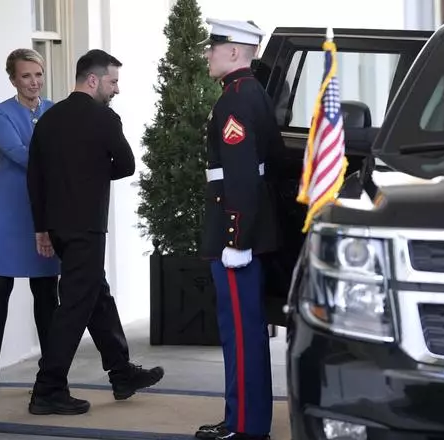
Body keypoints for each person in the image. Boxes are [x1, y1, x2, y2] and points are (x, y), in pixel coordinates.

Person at [26, 49, 165, 415]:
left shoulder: (48, 119)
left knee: (94, 295)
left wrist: (41, 227)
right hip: (87, 225)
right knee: (74, 306)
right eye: (113, 81)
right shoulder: (105, 119)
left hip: (57, 225)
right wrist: (95, 171)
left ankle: (121, 373)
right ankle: (47, 388)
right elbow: (127, 164)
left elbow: (34, 179)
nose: (116, 89)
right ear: (93, 79)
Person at [195, 18, 283, 440]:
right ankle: (243, 420)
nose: (208, 54)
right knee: (244, 331)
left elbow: (242, 176)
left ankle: (246, 427)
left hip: (236, 235)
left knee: (242, 334)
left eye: (214, 47)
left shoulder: (235, 100)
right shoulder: (252, 93)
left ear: (234, 51)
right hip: (246, 228)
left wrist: (236, 239)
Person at [0, 48, 60, 398]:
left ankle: (48, 372)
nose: (34, 82)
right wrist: (59, 163)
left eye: (38, 74)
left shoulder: (55, 111)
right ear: (13, 79)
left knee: (45, 293)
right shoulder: (0, 113)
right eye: (26, 76)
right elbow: (18, 153)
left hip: (42, 211)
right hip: (7, 212)